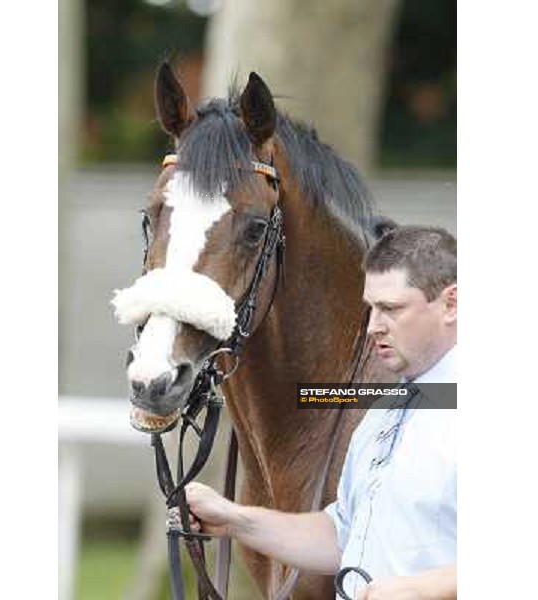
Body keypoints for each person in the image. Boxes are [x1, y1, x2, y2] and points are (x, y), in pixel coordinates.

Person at [185, 225, 457, 599]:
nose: (373, 327)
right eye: (371, 308)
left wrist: (422, 589)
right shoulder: (384, 410)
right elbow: (340, 534)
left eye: (391, 309)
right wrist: (234, 519)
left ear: (451, 304)